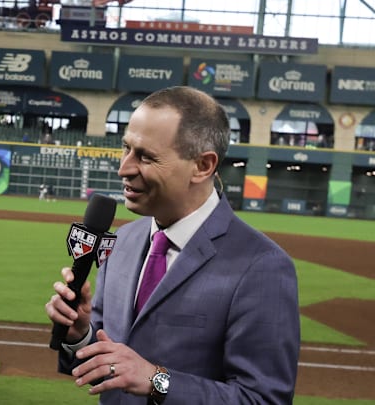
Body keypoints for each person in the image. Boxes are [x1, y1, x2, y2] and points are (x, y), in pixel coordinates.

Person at [45, 86, 300, 405]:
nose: (124, 168)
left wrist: (157, 381)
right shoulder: (122, 240)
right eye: (126, 148)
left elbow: (264, 400)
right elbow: (107, 366)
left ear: (203, 166)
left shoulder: (262, 267)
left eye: (146, 156)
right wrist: (79, 334)